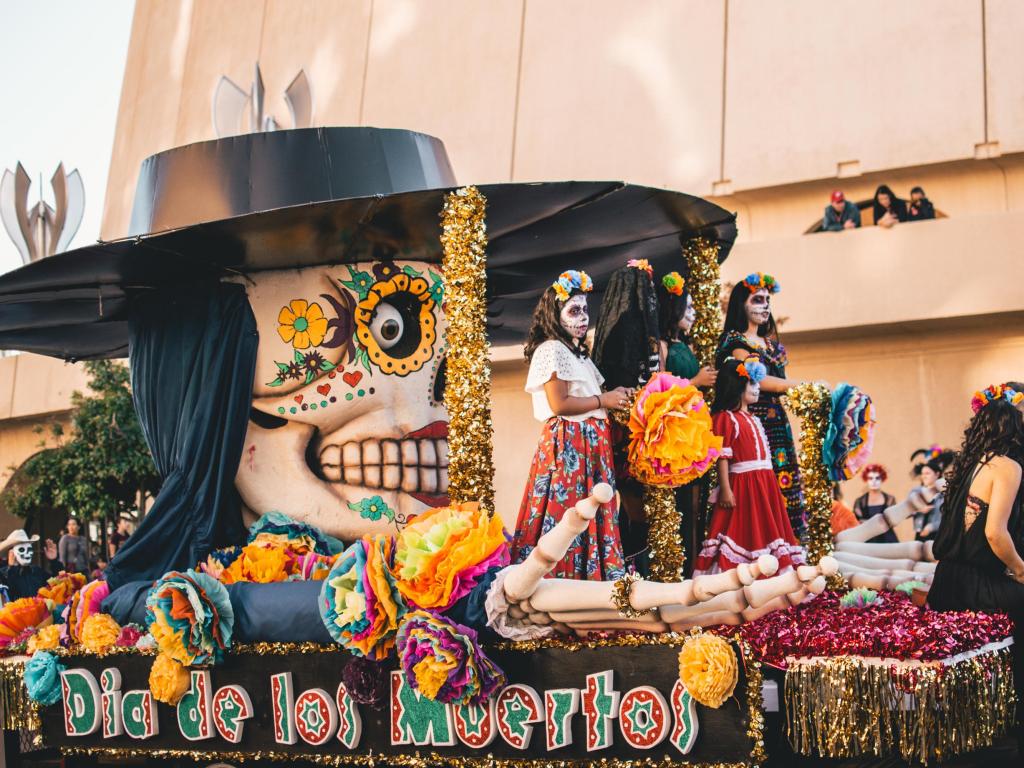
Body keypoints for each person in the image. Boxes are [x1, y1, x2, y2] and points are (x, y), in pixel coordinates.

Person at [510, 270, 631, 581]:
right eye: (574, 311)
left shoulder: (578, 354)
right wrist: (605, 400)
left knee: (593, 509)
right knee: (567, 512)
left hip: (592, 445)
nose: (582, 318)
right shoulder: (551, 349)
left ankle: (594, 581)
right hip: (570, 445)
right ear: (555, 314)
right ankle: (559, 582)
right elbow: (559, 404)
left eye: (585, 310)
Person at [929, 382, 1024, 745]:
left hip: (946, 582)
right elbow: (995, 535)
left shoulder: (972, 461)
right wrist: (1020, 570)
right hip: (973, 585)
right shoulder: (1007, 466)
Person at [693, 357, 805, 575]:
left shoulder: (753, 418)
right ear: (736, 386)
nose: (757, 389)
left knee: (767, 528)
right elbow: (723, 456)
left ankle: (775, 574)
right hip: (744, 486)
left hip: (764, 483)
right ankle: (739, 576)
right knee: (744, 528)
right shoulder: (726, 418)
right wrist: (725, 488)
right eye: (752, 384)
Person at [717, 274, 807, 535]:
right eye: (757, 299)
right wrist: (801, 385)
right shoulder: (735, 341)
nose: (765, 306)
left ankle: (788, 540)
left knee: (783, 477)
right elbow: (759, 377)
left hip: (776, 421)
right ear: (741, 305)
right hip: (749, 421)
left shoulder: (771, 345)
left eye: (768, 300)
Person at [591, 259, 662, 572]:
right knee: (635, 504)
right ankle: (631, 568)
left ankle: (637, 566)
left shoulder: (646, 330)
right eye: (642, 289)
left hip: (646, 427)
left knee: (644, 506)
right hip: (626, 430)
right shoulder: (623, 329)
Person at [656, 272, 717, 387]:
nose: (693, 312)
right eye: (688, 307)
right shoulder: (661, 346)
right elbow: (661, 389)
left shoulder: (685, 344)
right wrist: (696, 381)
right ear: (674, 308)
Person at [910, 447, 953, 541]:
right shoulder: (916, 492)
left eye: (927, 473)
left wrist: (931, 527)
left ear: (937, 474)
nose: (924, 476)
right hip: (920, 535)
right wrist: (918, 509)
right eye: (922, 474)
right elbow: (906, 513)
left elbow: (948, 517)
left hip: (938, 536)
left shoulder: (944, 494)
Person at [852, 464, 898, 544]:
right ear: (866, 479)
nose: (874, 481)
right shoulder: (860, 501)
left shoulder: (890, 499)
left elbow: (894, 521)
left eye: (877, 478)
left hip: (888, 540)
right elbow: (856, 522)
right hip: (867, 541)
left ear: (882, 479)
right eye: (870, 478)